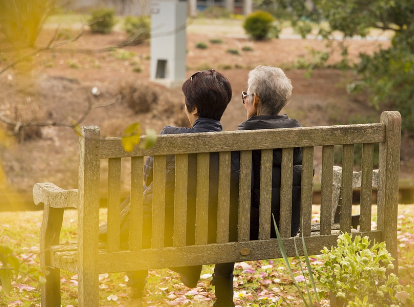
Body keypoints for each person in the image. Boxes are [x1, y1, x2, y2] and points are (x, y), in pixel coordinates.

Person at [100, 69, 235, 307]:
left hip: (166, 231)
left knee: (141, 206)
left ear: (193, 109)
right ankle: (193, 269)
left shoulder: (170, 137)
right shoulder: (236, 146)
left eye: (187, 103)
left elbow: (149, 176)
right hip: (216, 232)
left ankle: (137, 290)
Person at [239, 65, 303, 240]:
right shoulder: (298, 135)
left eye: (246, 96)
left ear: (256, 100)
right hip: (287, 228)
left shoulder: (242, 139)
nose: (245, 101)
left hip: (249, 232)